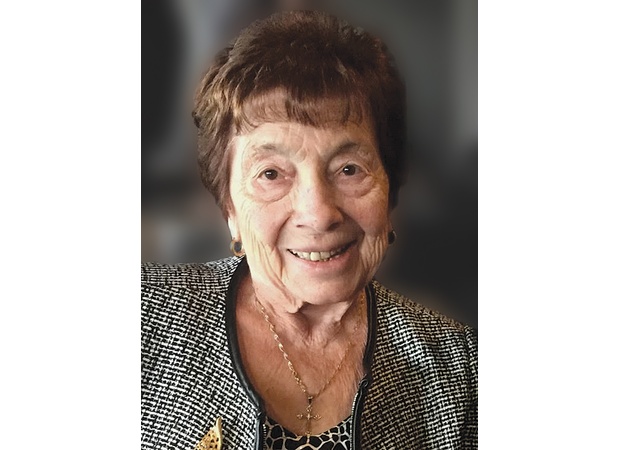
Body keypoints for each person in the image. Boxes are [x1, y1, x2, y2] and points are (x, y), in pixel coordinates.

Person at [141, 10, 477, 450]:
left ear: (390, 191)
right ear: (229, 209)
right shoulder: (141, 316)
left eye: (349, 169)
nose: (318, 214)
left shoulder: (459, 371)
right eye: (271, 174)